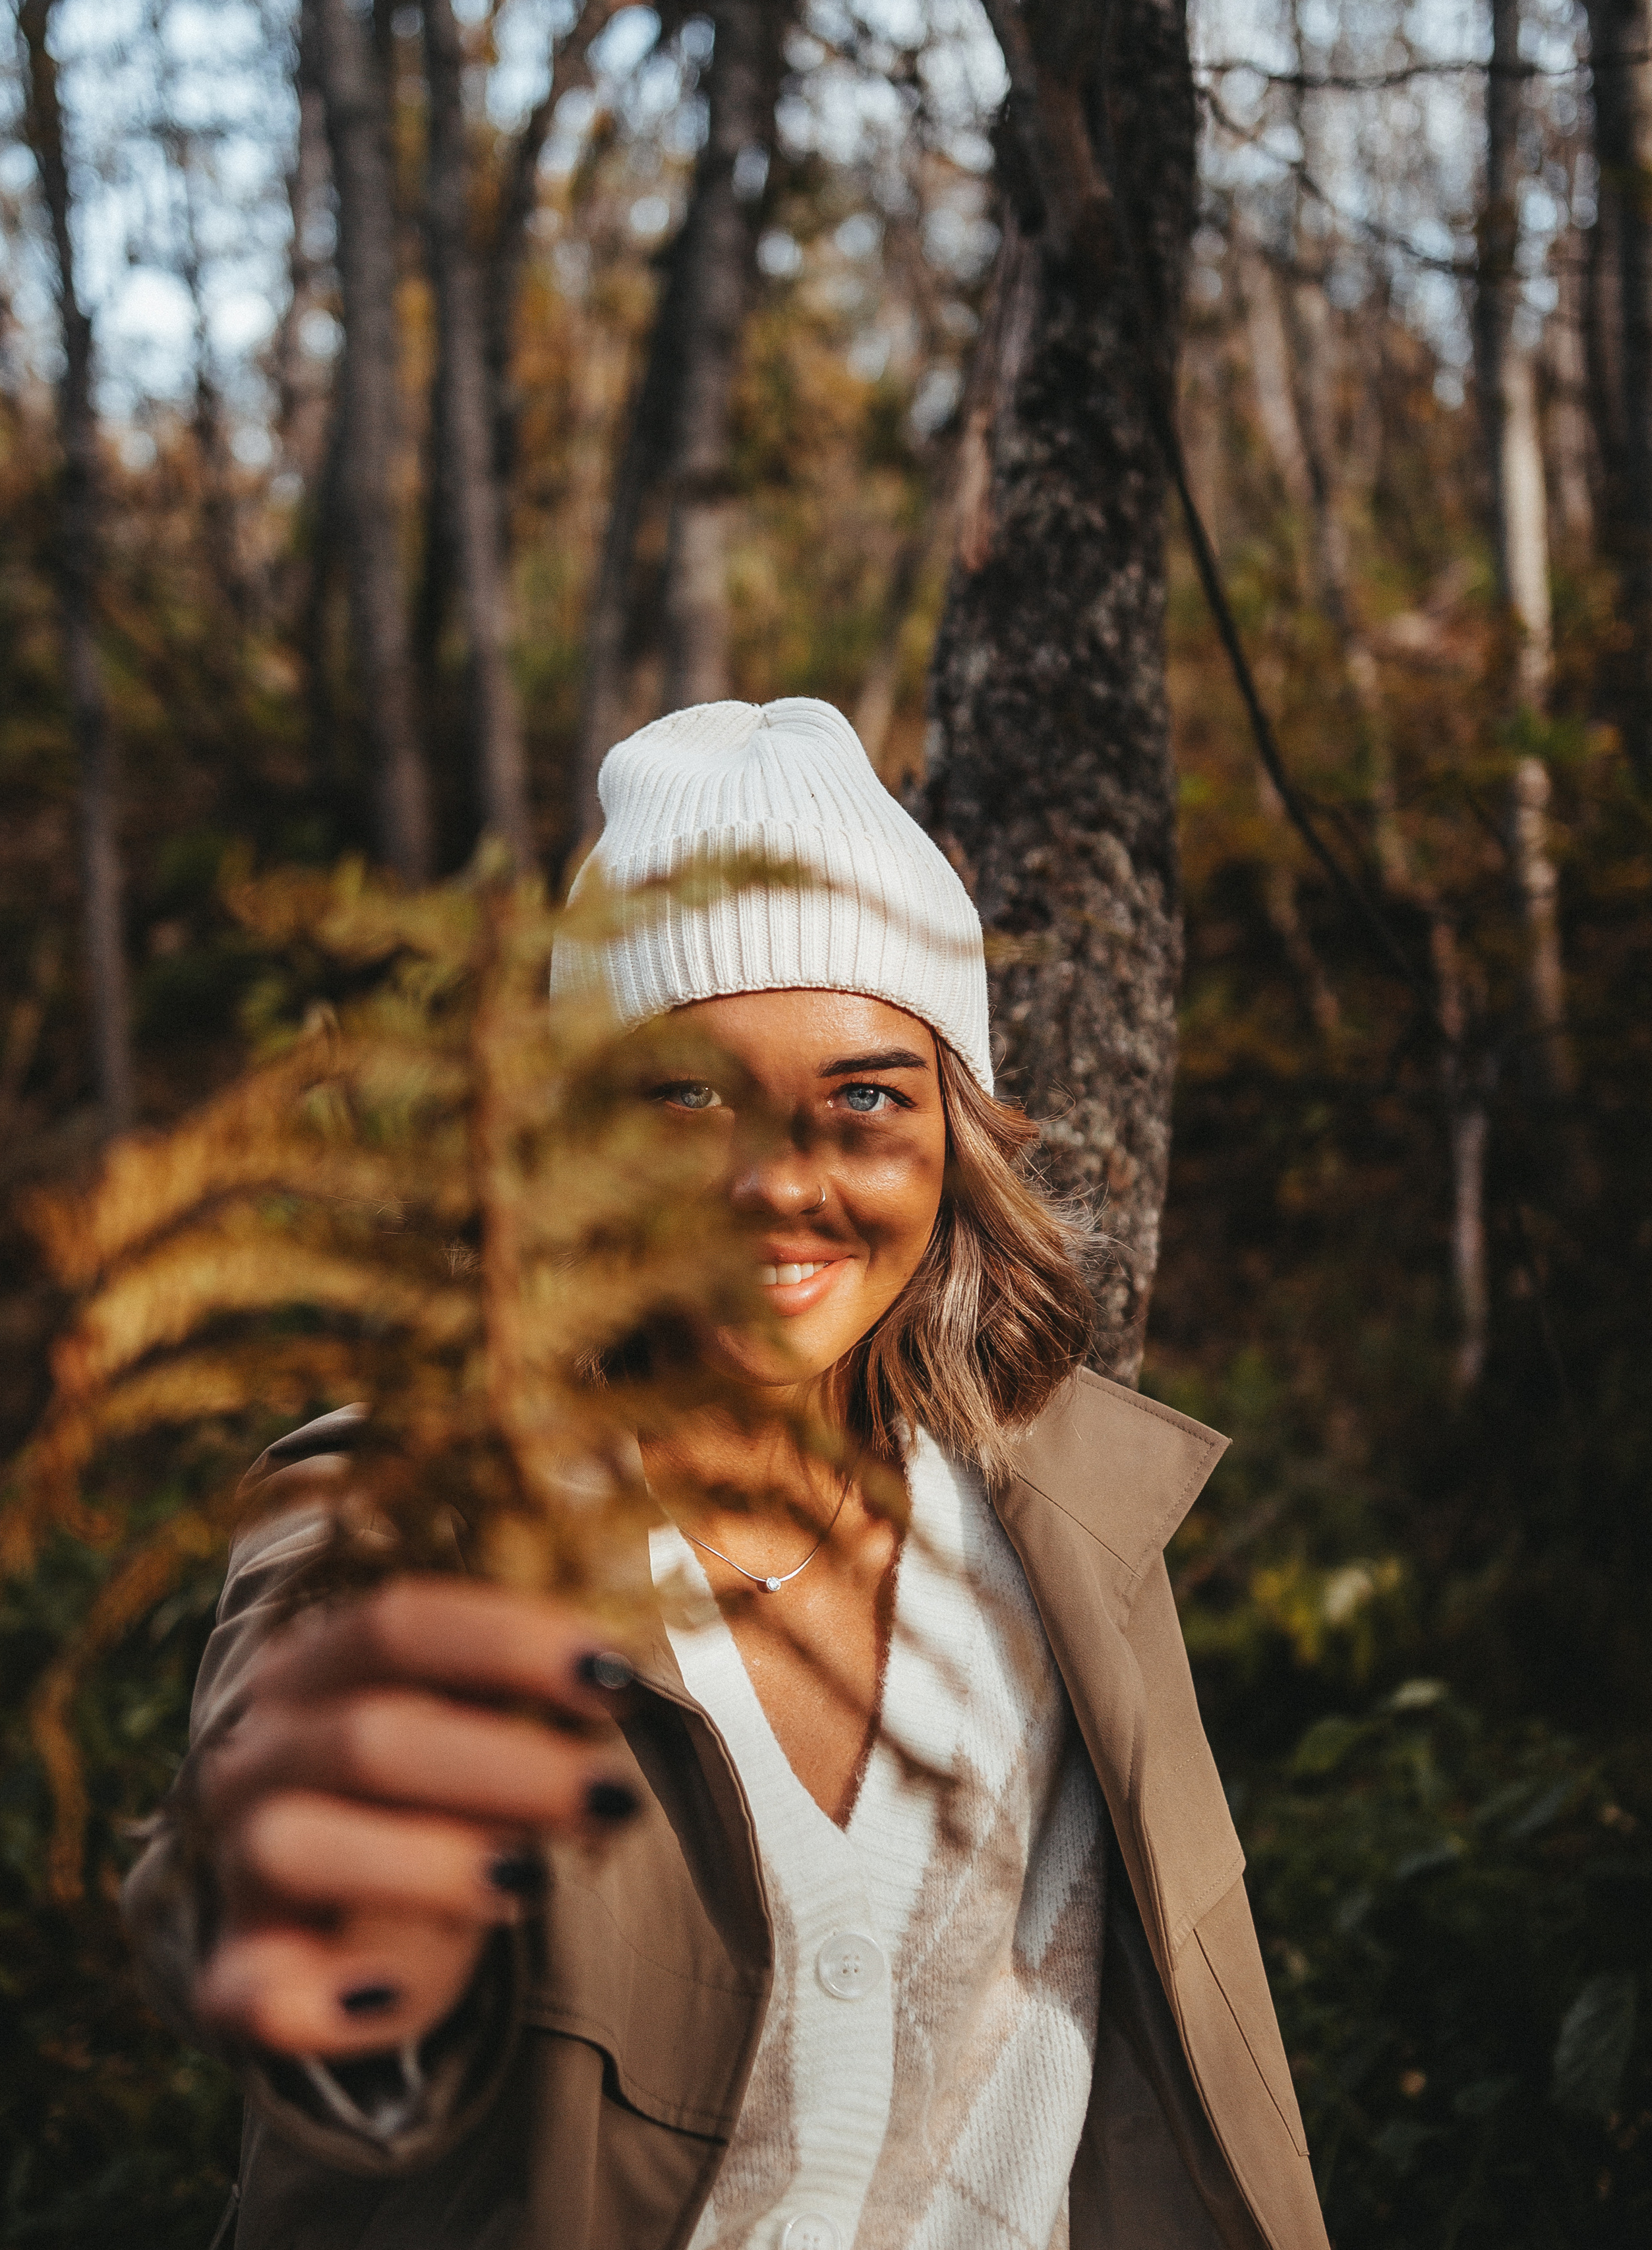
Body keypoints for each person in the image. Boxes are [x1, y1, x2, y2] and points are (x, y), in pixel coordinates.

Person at [124, 699, 1330, 2250]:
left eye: (865, 1099)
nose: (779, 1184)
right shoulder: (411, 1518)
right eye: (684, 1096)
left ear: (953, 1137)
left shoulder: (1063, 1521)